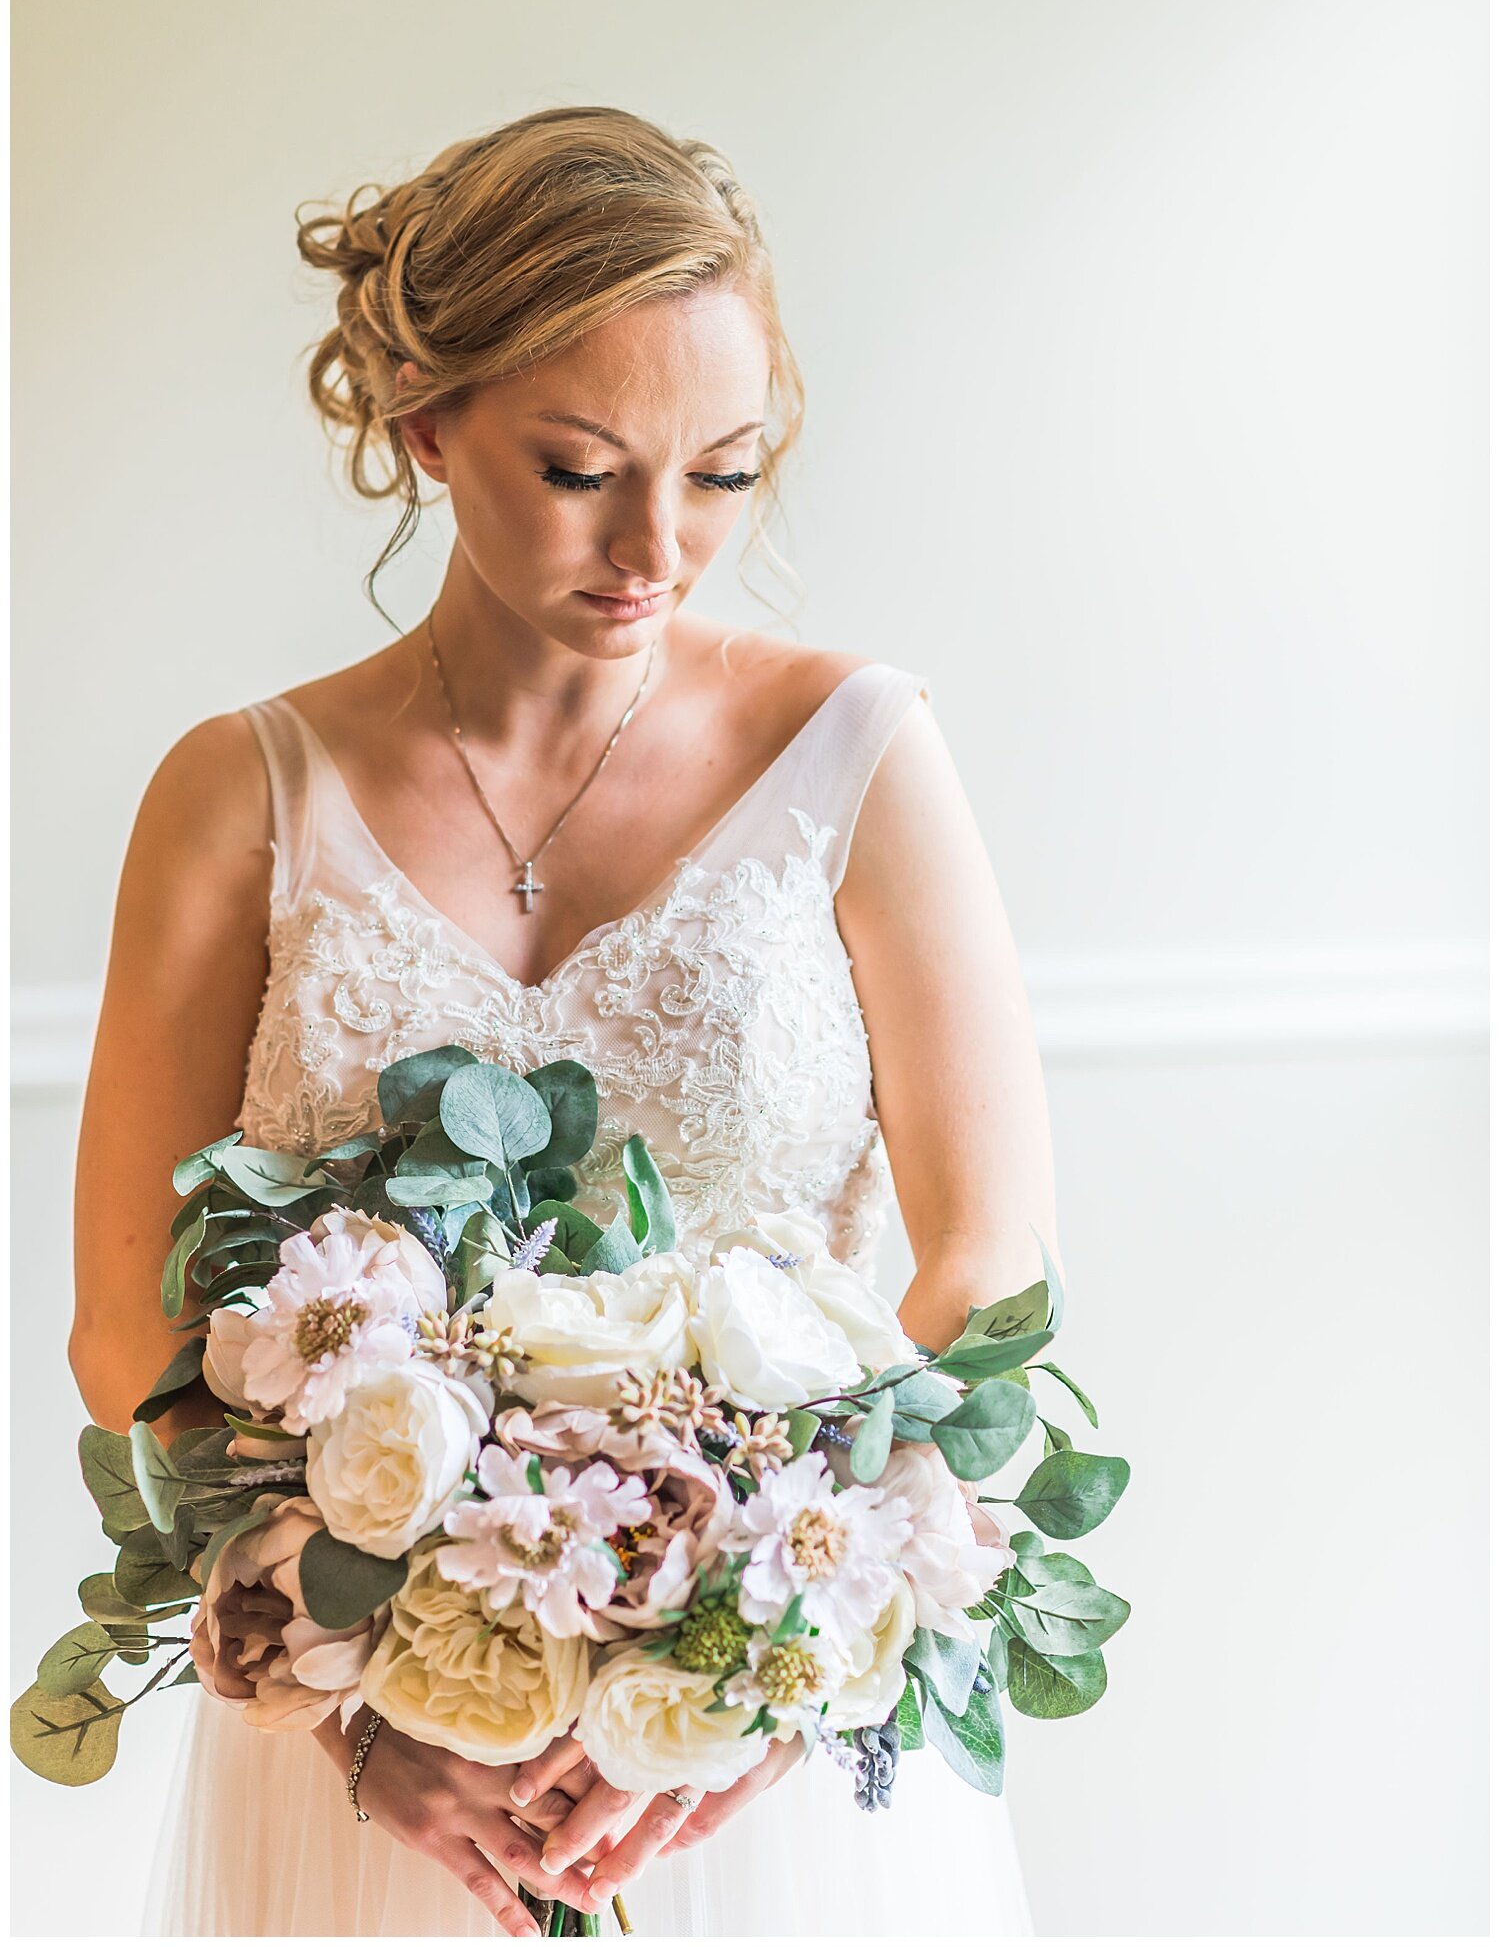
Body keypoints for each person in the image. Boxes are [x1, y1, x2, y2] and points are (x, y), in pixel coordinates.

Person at [69, 106, 1056, 1936]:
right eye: (583, 466)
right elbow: (133, 1326)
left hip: (764, 1751)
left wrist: (775, 1654)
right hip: (378, 1763)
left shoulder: (860, 755)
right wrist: (361, 1707)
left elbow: (988, 1260)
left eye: (728, 472)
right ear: (423, 420)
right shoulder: (238, 793)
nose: (660, 544)